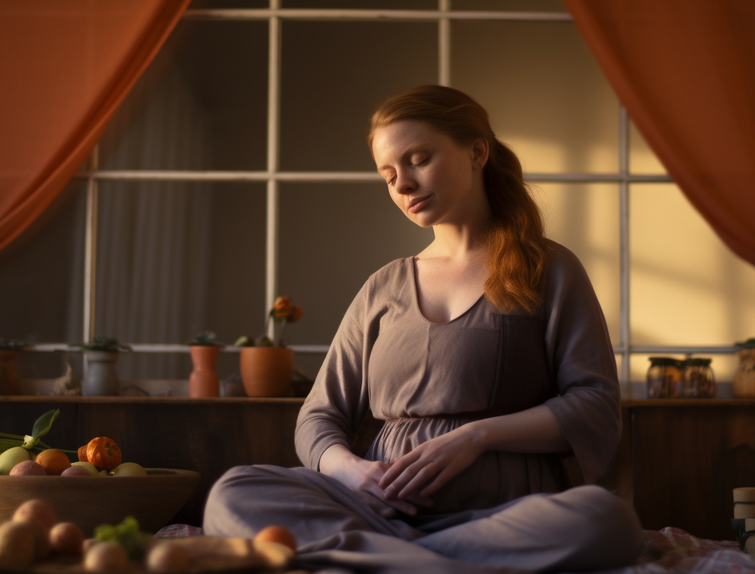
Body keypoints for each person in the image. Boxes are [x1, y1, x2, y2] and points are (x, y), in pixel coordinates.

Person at [204, 85, 643, 573]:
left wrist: (475, 438)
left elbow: (595, 405)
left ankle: (393, 564)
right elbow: (318, 418)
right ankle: (430, 564)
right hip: (377, 514)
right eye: (388, 175)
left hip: (502, 517)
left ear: (477, 152)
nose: (403, 185)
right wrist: (352, 473)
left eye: (418, 160)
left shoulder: (550, 269)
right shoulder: (383, 286)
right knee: (234, 492)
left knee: (606, 519)